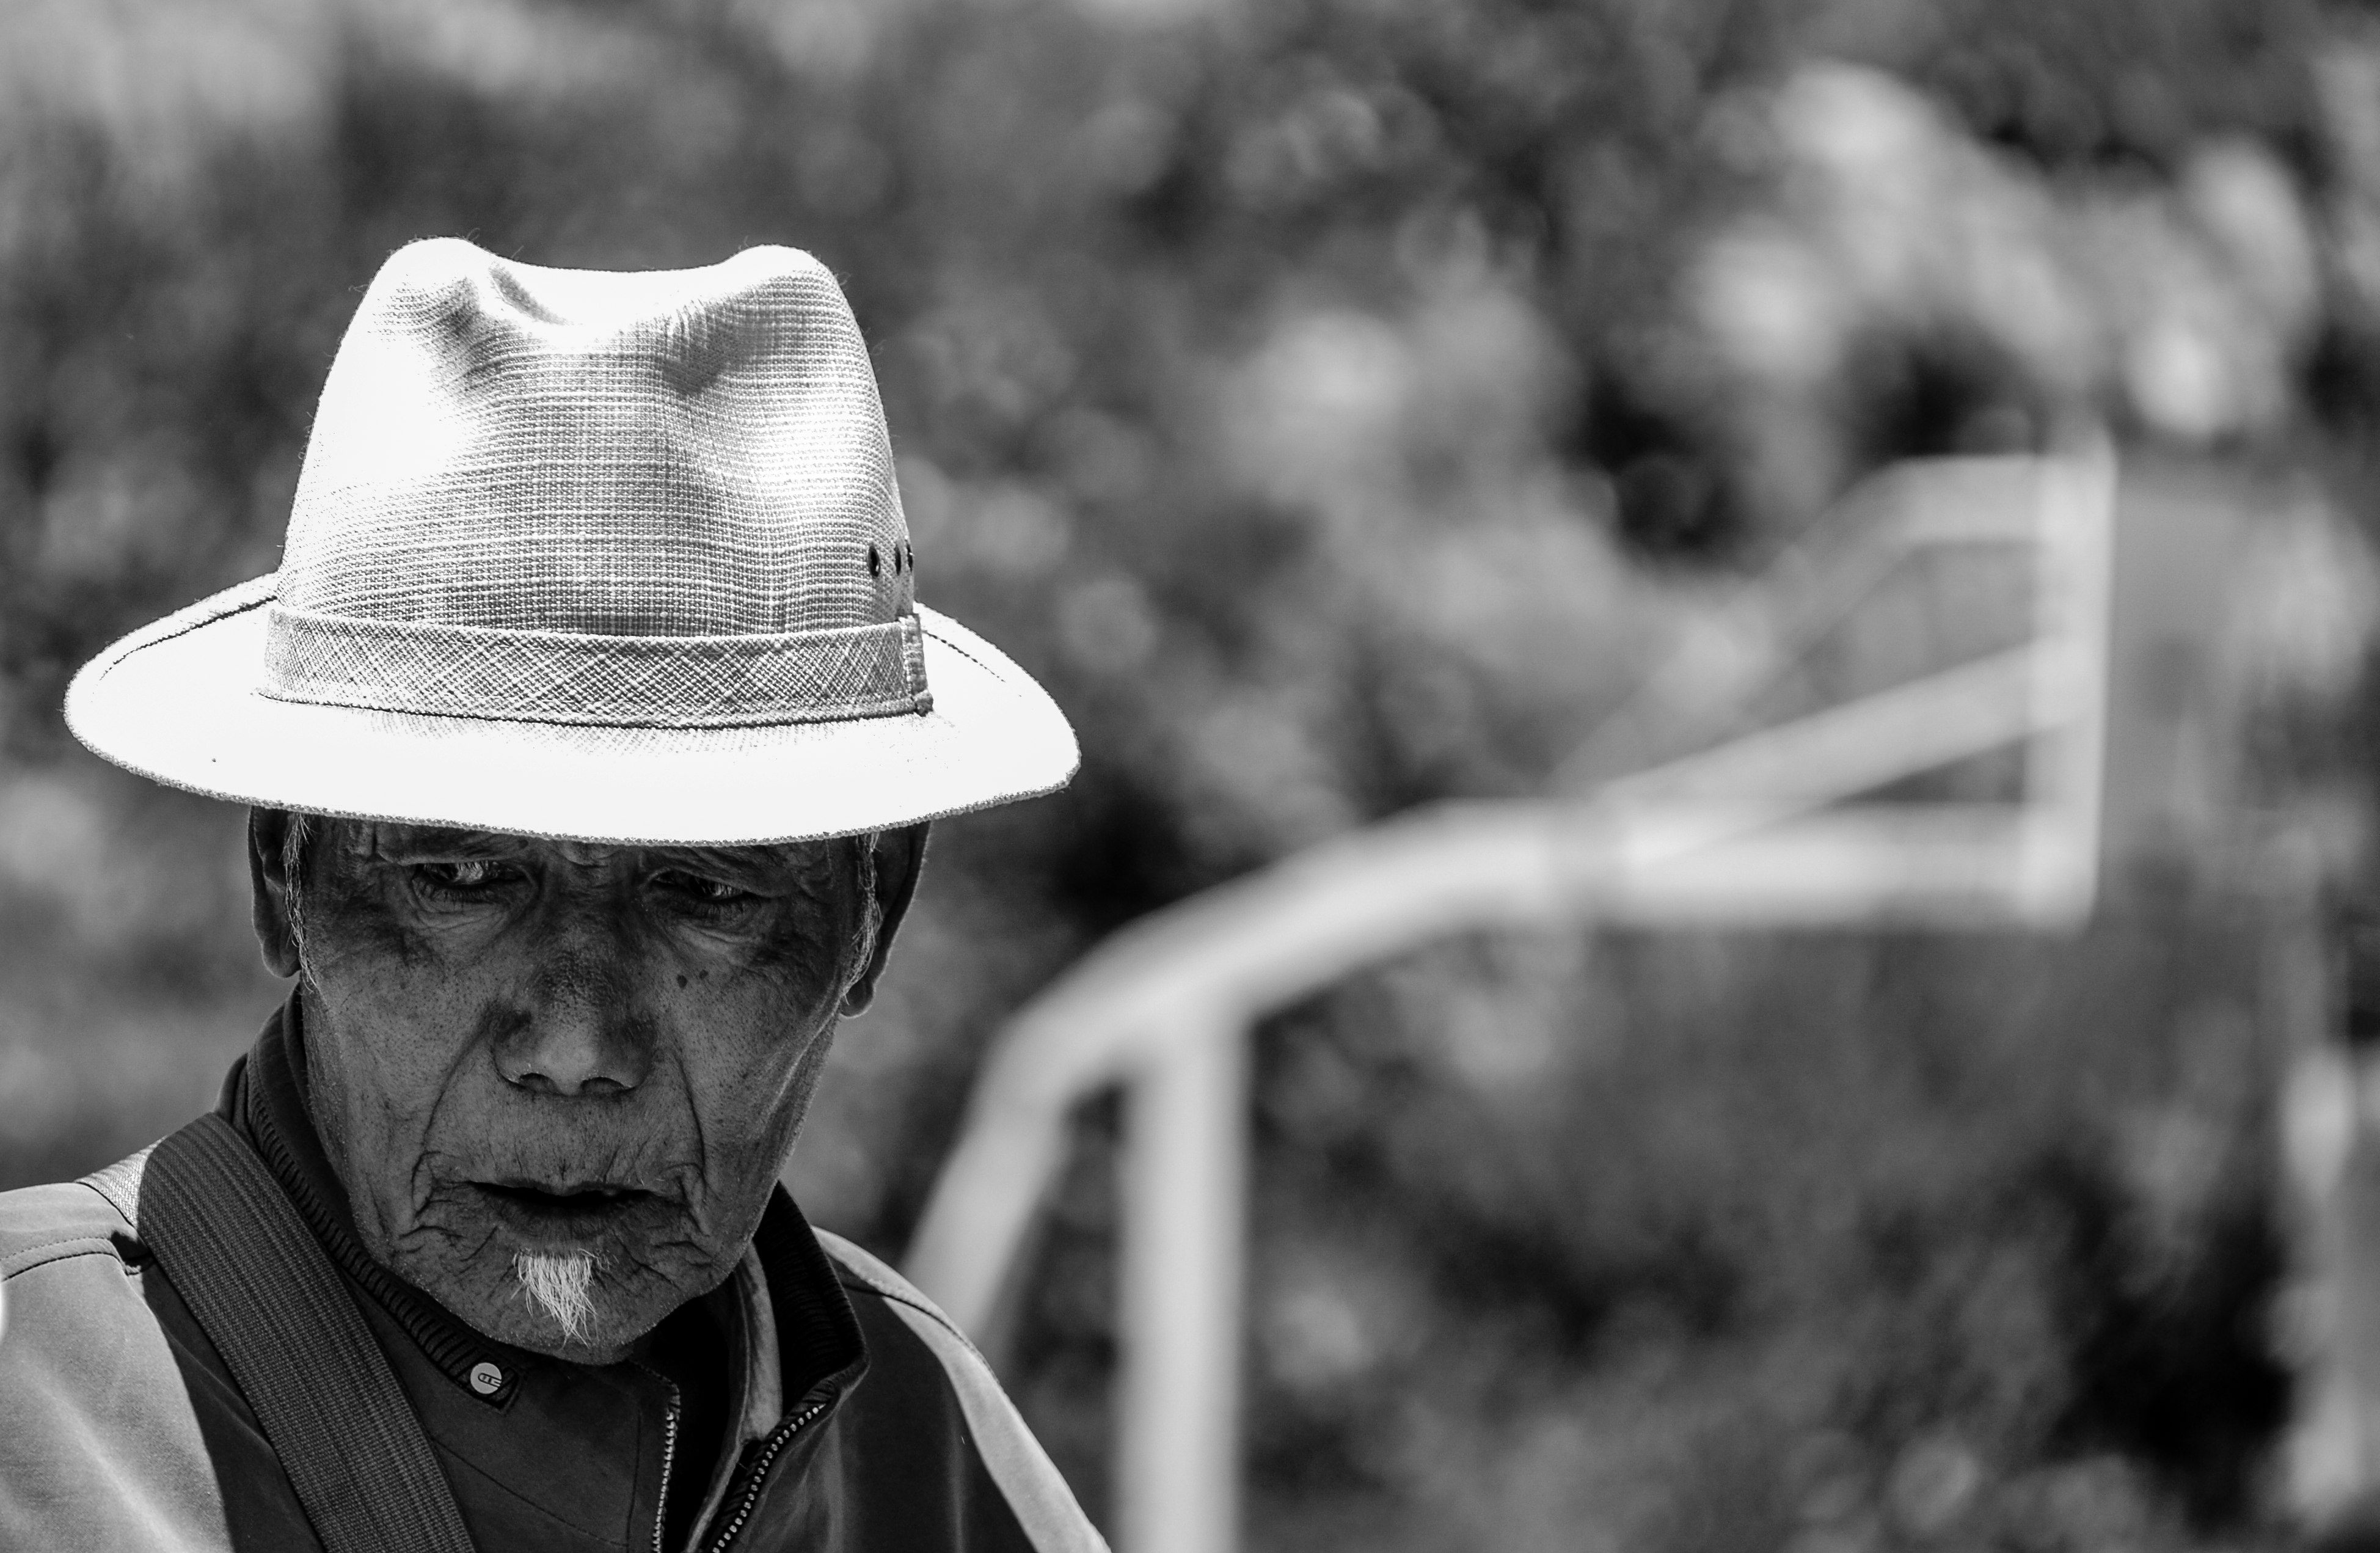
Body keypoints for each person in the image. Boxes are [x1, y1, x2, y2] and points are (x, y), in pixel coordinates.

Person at [0, 238, 1100, 1552]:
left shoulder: (927, 1457)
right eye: (459, 878)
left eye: (706, 888)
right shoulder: (33, 1395)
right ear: (282, 871)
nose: (574, 1048)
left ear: (878, 910)